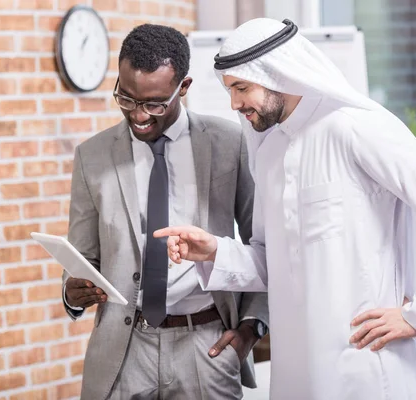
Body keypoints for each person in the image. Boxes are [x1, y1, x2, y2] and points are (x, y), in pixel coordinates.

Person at [155, 18, 416, 400]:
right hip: (298, 370)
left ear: (279, 73)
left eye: (242, 88)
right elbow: (270, 259)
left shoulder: (353, 128)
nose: (235, 104)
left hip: (368, 369)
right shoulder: (269, 151)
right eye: (229, 90)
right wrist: (214, 251)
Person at [61, 24, 268, 400]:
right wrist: (72, 292)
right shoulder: (92, 156)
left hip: (206, 345)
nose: (138, 115)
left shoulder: (230, 143)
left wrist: (252, 328)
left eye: (154, 103)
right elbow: (82, 255)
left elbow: (265, 242)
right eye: (126, 98)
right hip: (124, 350)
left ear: (183, 88)